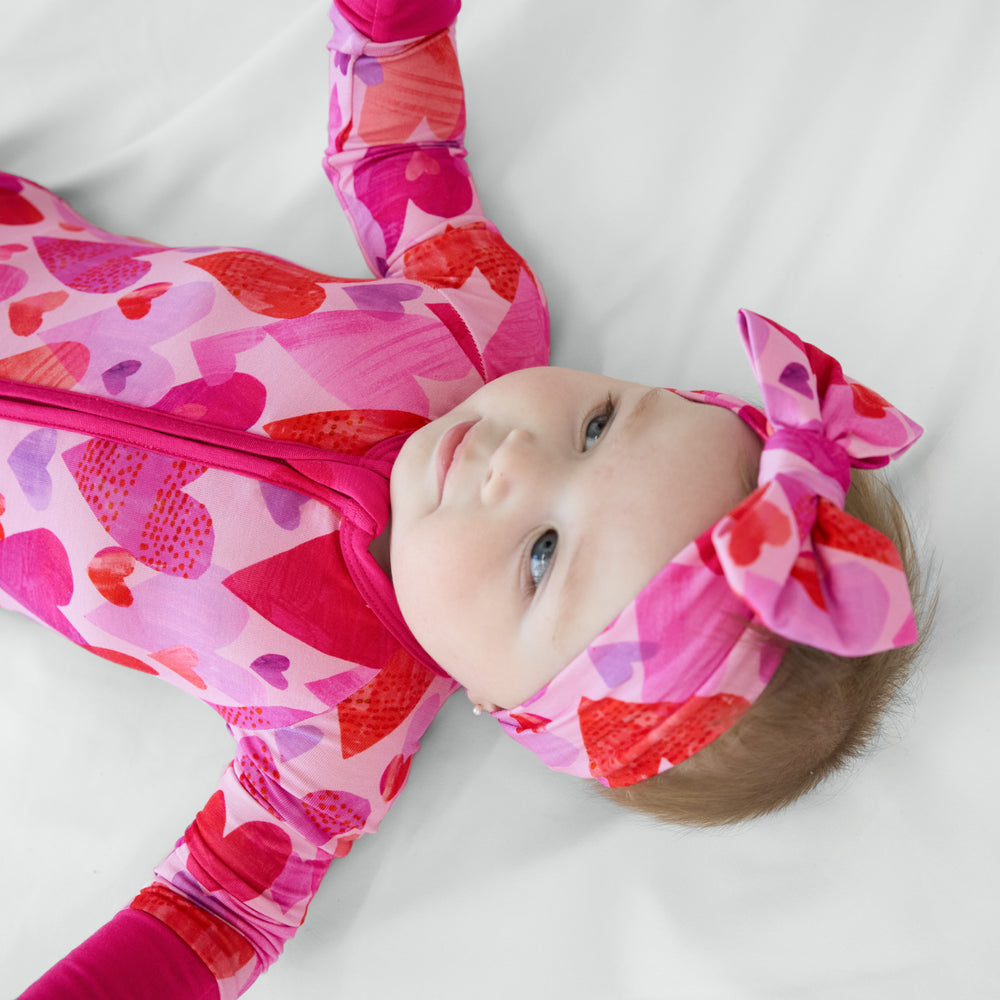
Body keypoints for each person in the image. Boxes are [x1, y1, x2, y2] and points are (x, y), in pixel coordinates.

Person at [3, 1, 928, 997]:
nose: (513, 462)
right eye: (597, 426)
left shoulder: (342, 729)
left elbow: (221, 906)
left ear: (506, 702)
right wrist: (392, 22)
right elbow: (398, 143)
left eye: (541, 555)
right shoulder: (474, 321)